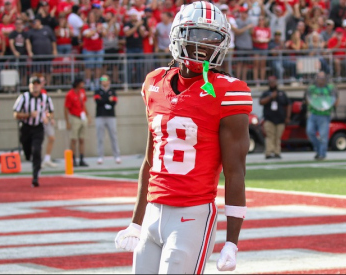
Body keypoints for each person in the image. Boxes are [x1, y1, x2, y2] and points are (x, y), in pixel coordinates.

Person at [114, 2, 252, 274]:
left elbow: (235, 173)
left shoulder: (227, 92)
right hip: (154, 210)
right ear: (178, 35)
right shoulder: (154, 83)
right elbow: (149, 160)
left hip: (192, 214)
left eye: (212, 37)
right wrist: (136, 222)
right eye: (197, 35)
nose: (204, 45)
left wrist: (232, 242)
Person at [13, 76, 55, 187]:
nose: (35, 86)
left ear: (41, 85)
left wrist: (48, 118)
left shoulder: (46, 98)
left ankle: (35, 177)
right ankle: (31, 159)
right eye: (33, 84)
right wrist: (28, 115)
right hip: (26, 127)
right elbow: (16, 114)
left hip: (38, 127)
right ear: (29, 86)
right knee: (28, 152)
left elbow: (51, 112)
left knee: (37, 150)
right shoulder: (23, 97)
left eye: (37, 84)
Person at [305, 71, 338, 160]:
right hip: (314, 113)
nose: (321, 80)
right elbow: (307, 97)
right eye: (319, 78)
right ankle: (318, 149)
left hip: (324, 114)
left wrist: (331, 106)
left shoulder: (329, 88)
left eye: (322, 78)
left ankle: (322, 154)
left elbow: (335, 98)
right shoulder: (312, 88)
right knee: (310, 132)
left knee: (323, 135)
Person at [259, 76, 291, 159]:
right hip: (269, 119)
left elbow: (288, 105)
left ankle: (277, 152)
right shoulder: (266, 93)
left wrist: (287, 117)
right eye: (270, 82)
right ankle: (269, 153)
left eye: (273, 82)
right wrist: (270, 97)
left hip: (280, 119)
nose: (272, 83)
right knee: (270, 136)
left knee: (278, 137)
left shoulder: (282, 93)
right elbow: (261, 102)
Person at [94, 74, 121, 165]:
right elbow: (98, 101)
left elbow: (114, 102)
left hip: (111, 116)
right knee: (100, 137)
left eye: (105, 79)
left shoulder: (112, 91)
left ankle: (117, 156)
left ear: (109, 81)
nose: (103, 81)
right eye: (102, 79)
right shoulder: (98, 91)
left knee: (113, 136)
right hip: (100, 116)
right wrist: (108, 99)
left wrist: (105, 99)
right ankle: (100, 156)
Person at [64, 78, 90, 167]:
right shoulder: (70, 94)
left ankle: (82, 159)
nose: (83, 84)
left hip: (82, 117)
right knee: (73, 139)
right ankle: (73, 159)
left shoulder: (82, 92)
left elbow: (84, 104)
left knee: (82, 139)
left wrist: (88, 115)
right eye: (81, 82)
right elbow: (66, 108)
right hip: (74, 117)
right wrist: (67, 121)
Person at [34, 73, 57, 168]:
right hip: (36, 121)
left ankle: (47, 159)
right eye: (41, 81)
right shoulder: (32, 94)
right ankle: (37, 160)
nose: (43, 83)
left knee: (51, 138)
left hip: (45, 119)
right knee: (38, 141)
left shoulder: (44, 93)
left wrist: (50, 118)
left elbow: (48, 108)